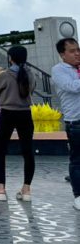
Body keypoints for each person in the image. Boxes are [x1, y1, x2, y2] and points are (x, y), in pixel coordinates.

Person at [0, 45, 36, 202]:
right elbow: (32, 89)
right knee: (28, 151)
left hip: (7, 113)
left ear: (11, 58)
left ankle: (1, 189)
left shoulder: (5, 75)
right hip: (25, 114)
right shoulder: (30, 74)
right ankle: (26, 189)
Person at [52, 38, 80, 211]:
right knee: (77, 160)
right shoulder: (59, 70)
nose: (77, 54)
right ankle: (78, 195)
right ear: (62, 54)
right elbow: (72, 87)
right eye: (72, 51)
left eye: (78, 50)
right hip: (76, 122)